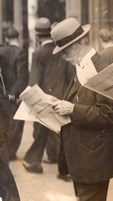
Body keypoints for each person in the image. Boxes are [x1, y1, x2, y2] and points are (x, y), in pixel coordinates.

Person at [50, 17, 113, 201]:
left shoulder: (99, 68)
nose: (63, 56)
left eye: (65, 50)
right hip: (84, 159)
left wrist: (72, 109)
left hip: (94, 161)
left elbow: (107, 114)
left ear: (80, 44)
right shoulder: (81, 66)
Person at [22, 17, 74, 174]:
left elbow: (34, 81)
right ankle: (55, 163)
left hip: (44, 98)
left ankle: (35, 162)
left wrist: (29, 99)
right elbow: (70, 75)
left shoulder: (38, 53)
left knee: (42, 131)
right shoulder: (62, 51)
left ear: (37, 36)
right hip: (62, 96)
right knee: (56, 131)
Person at [0, 27, 28, 162]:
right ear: (18, 37)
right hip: (15, 95)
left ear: (6, 38)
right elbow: (22, 76)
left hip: (3, 93)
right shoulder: (21, 52)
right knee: (16, 124)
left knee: (4, 123)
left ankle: (5, 152)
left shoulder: (1, 51)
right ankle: (11, 153)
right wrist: (15, 92)